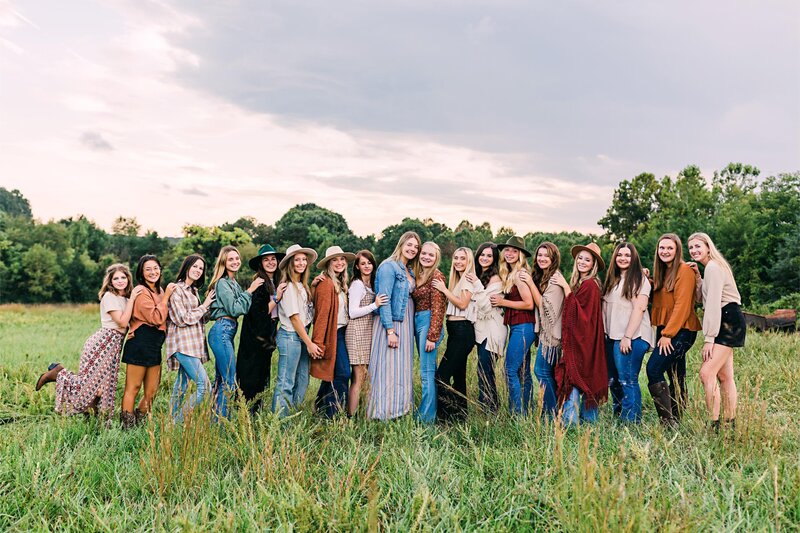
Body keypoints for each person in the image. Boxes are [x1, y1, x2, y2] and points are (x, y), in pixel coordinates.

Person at [35, 264, 136, 423]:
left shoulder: (127, 298)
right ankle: (58, 372)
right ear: (110, 281)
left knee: (105, 385)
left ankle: (97, 420)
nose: (120, 281)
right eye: (116, 278)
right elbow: (122, 322)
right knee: (89, 383)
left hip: (115, 345)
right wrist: (134, 299)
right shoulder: (109, 297)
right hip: (103, 343)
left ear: (128, 278)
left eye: (123, 277)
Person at [688, 232, 745, 431]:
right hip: (729, 317)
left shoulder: (713, 266)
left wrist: (709, 338)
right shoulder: (710, 268)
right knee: (725, 376)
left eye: (698, 246)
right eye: (691, 248)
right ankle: (730, 423)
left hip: (727, 319)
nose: (694, 250)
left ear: (708, 247)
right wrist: (697, 276)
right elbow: (701, 298)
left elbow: (712, 304)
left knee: (706, 372)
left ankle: (714, 424)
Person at [646, 233, 701, 426]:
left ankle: (667, 421)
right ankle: (678, 417)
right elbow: (659, 299)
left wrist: (667, 335)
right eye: (662, 248)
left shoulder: (684, 270)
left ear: (677, 250)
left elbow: (683, 306)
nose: (665, 251)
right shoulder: (663, 272)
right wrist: (647, 280)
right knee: (676, 374)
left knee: (653, 369)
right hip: (665, 328)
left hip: (681, 330)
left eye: (670, 248)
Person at [367, 231, 420, 420]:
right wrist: (390, 330)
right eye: (409, 244)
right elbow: (384, 299)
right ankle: (381, 412)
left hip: (405, 324)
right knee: (386, 366)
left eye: (416, 246)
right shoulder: (389, 267)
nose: (412, 249)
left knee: (401, 368)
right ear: (401, 244)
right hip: (391, 323)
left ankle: (400, 410)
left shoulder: (409, 270)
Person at [553, 242, 608, 426]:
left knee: (575, 376)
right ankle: (585, 422)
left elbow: (579, 315)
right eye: (580, 258)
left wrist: (565, 288)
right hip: (581, 339)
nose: (582, 262)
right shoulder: (581, 283)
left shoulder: (590, 285)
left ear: (593, 265)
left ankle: (571, 423)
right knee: (581, 377)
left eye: (587, 260)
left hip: (584, 340)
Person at [207, 245, 263, 420]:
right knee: (229, 381)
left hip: (228, 332)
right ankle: (223, 423)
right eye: (230, 259)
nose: (235, 261)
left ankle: (214, 419)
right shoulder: (223, 283)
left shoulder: (233, 283)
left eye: (237, 258)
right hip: (222, 330)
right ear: (223, 261)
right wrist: (251, 290)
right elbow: (235, 308)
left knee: (221, 379)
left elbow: (245, 307)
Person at [601, 242, 653, 423]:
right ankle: (619, 413)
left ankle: (631, 422)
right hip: (611, 336)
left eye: (627, 255)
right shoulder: (612, 280)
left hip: (632, 336)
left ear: (634, 258)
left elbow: (639, 309)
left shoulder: (640, 280)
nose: (623, 258)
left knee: (627, 380)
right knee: (613, 380)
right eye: (619, 255)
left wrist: (627, 337)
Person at [120, 255, 169, 428]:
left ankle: (138, 419)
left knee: (152, 391)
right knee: (133, 388)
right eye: (148, 269)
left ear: (160, 270)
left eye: (155, 268)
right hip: (140, 343)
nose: (153, 272)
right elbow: (156, 318)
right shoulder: (141, 292)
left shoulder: (160, 291)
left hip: (155, 345)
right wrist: (168, 295)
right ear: (141, 272)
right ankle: (126, 426)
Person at [165, 254, 216, 423]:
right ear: (186, 267)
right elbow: (182, 318)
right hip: (182, 345)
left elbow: (200, 318)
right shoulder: (176, 290)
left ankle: (170, 423)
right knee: (204, 387)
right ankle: (176, 422)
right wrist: (204, 305)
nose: (198, 270)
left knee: (181, 386)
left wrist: (209, 305)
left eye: (201, 268)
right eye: (195, 266)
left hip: (193, 345)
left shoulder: (194, 291)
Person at [272, 244, 320, 417]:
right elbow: (294, 317)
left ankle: (292, 415)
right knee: (286, 381)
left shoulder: (302, 286)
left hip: (301, 334)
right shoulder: (288, 286)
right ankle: (279, 422)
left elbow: (308, 312)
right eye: (297, 260)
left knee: (302, 380)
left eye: (303, 260)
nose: (301, 263)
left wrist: (313, 287)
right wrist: (309, 343)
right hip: (291, 336)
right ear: (290, 263)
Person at [432, 246, 479, 422]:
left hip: (463, 331)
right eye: (456, 258)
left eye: (462, 259)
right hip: (455, 331)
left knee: (441, 376)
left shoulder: (466, 280)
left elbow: (462, 304)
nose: (458, 261)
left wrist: (444, 290)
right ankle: (461, 416)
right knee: (458, 376)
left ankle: (445, 416)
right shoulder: (458, 280)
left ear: (469, 262)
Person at [237, 244, 285, 414]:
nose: (271, 262)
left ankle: (255, 411)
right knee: (252, 377)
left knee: (263, 375)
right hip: (255, 338)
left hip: (268, 336)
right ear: (261, 264)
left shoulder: (276, 281)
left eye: (273, 259)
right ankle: (247, 413)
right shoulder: (259, 283)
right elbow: (260, 313)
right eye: (266, 260)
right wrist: (277, 298)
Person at [491, 236, 536, 415]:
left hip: (524, 326)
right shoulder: (510, 273)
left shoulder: (519, 274)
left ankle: (516, 413)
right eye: (507, 250)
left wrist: (503, 302)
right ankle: (528, 410)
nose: (509, 253)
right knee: (522, 371)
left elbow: (529, 304)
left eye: (514, 251)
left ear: (521, 255)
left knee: (509, 370)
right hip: (518, 326)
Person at [311, 246, 356, 418]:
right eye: (335, 260)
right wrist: (318, 342)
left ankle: (320, 406)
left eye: (342, 259)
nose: (339, 262)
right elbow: (321, 315)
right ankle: (333, 414)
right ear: (328, 264)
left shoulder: (341, 284)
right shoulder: (325, 283)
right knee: (343, 373)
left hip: (343, 333)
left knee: (332, 373)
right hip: (333, 334)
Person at [345, 250, 388, 417]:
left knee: (365, 376)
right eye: (362, 263)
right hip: (357, 331)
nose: (367, 266)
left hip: (367, 331)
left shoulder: (371, 283)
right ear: (357, 266)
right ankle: (351, 416)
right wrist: (375, 305)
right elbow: (353, 312)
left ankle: (363, 412)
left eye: (369, 263)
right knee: (358, 377)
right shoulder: (357, 284)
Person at [526, 242, 566, 419]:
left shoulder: (555, 279)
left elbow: (545, 307)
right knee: (546, 372)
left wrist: (529, 283)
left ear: (554, 259)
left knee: (541, 371)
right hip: (545, 333)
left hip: (553, 336)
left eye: (546, 256)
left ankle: (551, 414)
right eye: (539, 255)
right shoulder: (542, 276)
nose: (541, 258)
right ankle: (551, 411)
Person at [410, 241, 447, 424]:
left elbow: (439, 308)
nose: (426, 257)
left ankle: (427, 418)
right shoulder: (418, 273)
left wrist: (432, 336)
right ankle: (426, 412)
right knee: (424, 371)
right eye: (424, 253)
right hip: (417, 321)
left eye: (431, 255)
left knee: (427, 372)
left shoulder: (436, 276)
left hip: (428, 323)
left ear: (436, 258)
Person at [468, 242, 506, 412]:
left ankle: (491, 409)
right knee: (483, 370)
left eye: (489, 256)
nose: (485, 258)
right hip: (481, 329)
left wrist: (476, 284)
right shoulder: (476, 274)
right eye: (482, 254)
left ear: (495, 259)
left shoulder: (496, 279)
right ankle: (488, 407)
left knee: (485, 370)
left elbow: (486, 307)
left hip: (493, 330)